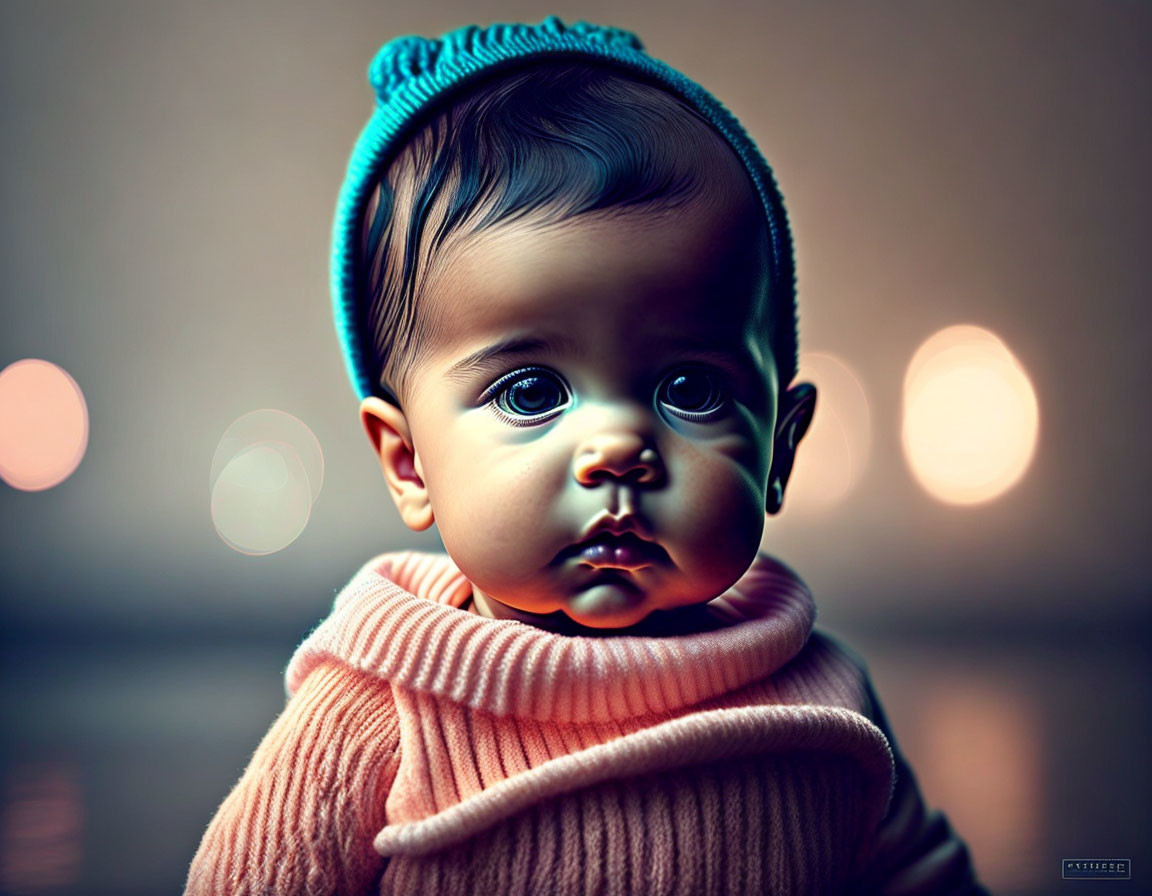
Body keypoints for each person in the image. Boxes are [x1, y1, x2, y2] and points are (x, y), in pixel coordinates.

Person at [185, 16, 990, 895]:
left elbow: (921, 877)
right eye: (531, 393)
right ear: (410, 462)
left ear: (779, 451)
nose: (618, 450)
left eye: (691, 390)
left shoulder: (820, 695)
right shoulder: (380, 712)